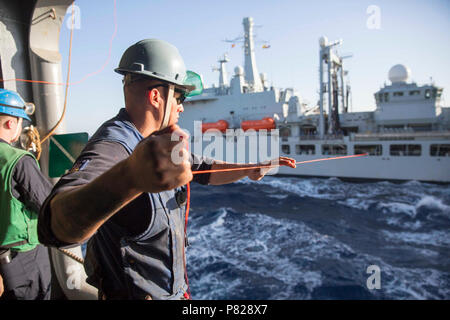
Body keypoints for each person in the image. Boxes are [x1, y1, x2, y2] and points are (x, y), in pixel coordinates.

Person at [37, 39, 296, 300]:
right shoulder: (114, 144)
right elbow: (54, 225)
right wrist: (131, 177)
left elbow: (204, 168)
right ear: (156, 96)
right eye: (180, 96)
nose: (182, 106)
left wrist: (250, 169)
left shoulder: (154, 138)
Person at [0, 88, 52, 300]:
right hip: (24, 258)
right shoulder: (19, 160)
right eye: (20, 123)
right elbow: (48, 205)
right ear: (11, 123)